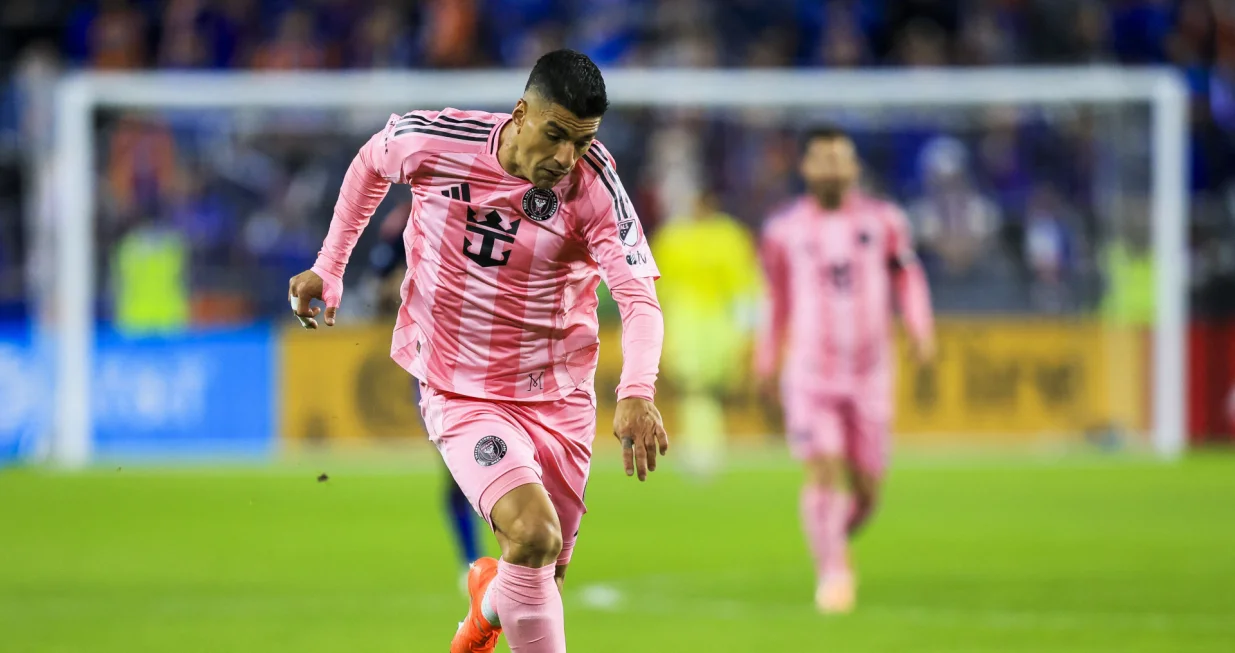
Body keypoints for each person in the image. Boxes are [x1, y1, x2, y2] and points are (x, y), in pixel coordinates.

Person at [287, 50, 668, 653]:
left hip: (559, 396)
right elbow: (370, 162)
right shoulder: (437, 141)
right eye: (555, 135)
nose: (566, 157)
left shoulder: (594, 185)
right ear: (520, 114)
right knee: (534, 534)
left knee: (539, 576)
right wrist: (329, 267)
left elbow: (638, 297)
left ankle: (485, 602)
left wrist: (637, 390)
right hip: (460, 388)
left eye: (582, 141)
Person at [755, 126, 934, 614]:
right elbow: (776, 300)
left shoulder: (885, 221)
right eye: (823, 159)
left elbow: (908, 276)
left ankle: (830, 531)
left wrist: (919, 328)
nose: (833, 168)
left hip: (871, 373)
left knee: (868, 488)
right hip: (811, 372)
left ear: (854, 167)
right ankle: (834, 573)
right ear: (806, 167)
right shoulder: (783, 230)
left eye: (841, 159)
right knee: (824, 465)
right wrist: (766, 360)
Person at [367, 202, 483, 584]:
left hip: (491, 357)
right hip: (434, 364)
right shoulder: (401, 223)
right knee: (459, 470)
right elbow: (381, 293)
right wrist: (413, 282)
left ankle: (520, 561)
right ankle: (472, 562)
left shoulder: (482, 206)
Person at [651, 190, 760, 476]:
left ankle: (706, 446)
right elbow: (658, 283)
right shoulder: (673, 237)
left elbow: (744, 282)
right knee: (693, 387)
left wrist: (747, 325)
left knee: (709, 389)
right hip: (684, 320)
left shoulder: (728, 236)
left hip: (718, 321)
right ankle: (702, 448)